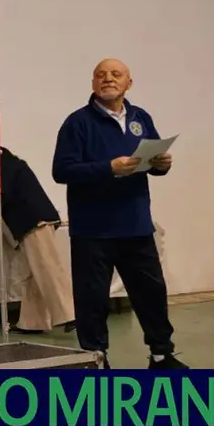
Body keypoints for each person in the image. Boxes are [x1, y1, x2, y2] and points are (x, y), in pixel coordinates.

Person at [52, 58, 187, 370]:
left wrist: (161, 165)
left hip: (136, 224)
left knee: (152, 294)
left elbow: (152, 161)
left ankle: (161, 354)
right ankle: (95, 359)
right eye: (100, 75)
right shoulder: (77, 123)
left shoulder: (142, 118)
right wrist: (107, 168)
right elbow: (61, 170)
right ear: (93, 84)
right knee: (92, 300)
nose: (108, 79)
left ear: (129, 82)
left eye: (116, 74)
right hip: (92, 229)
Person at [0, 143, 75, 334]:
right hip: (32, 222)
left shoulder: (5, 168)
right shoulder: (11, 165)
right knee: (32, 275)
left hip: (34, 222)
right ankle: (32, 322)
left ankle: (71, 314)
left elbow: (4, 199)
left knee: (48, 269)